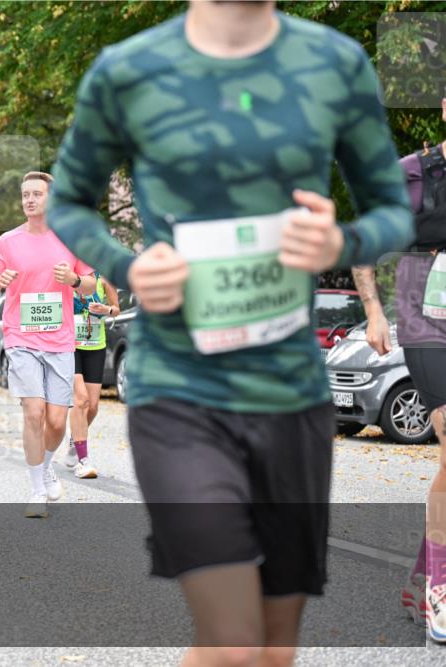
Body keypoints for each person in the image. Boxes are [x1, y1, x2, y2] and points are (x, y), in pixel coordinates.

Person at [47, 2, 414, 664]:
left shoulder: (333, 62)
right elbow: (68, 202)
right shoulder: (128, 71)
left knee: (273, 650)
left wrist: (343, 238)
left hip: (290, 393)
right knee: (236, 641)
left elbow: (392, 209)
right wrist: (128, 265)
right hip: (178, 390)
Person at [352, 90, 446, 642]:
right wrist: (373, 311)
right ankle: (440, 588)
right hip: (427, 320)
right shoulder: (414, 175)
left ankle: (424, 574)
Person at [0, 171, 95, 518]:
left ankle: (45, 467)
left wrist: (74, 279)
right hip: (21, 337)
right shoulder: (8, 241)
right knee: (34, 412)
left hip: (59, 339)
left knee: (57, 421)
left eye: (37, 194)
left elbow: (90, 285)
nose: (29, 200)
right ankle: (35, 491)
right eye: (25, 194)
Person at [64, 274, 120, 478]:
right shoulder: (68, 274)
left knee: (93, 406)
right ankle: (83, 460)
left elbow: (116, 309)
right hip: (70, 345)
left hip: (96, 344)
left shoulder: (104, 276)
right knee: (81, 400)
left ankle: (75, 440)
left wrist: (106, 310)